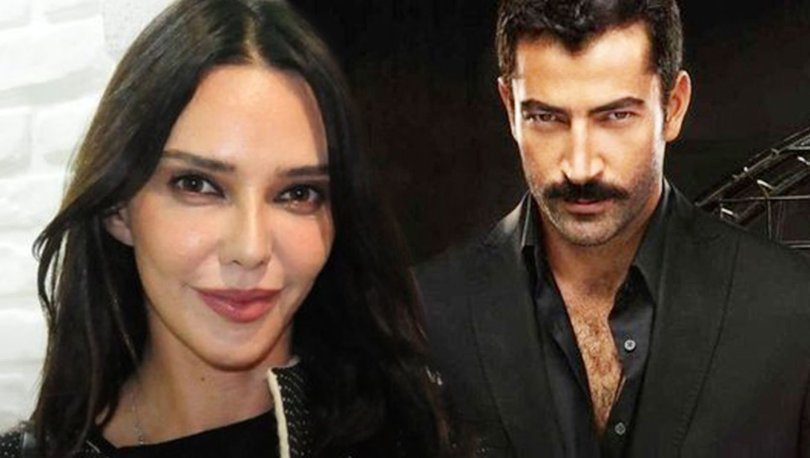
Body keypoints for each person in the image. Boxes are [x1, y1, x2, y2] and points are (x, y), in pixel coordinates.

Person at [0, 0, 457, 457]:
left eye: (298, 193)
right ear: (119, 208)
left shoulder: (419, 434)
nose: (251, 248)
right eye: (197, 185)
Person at [415, 0, 810, 456]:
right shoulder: (421, 317)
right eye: (546, 117)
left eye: (616, 115)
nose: (580, 166)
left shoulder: (794, 311)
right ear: (509, 108)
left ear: (674, 107)